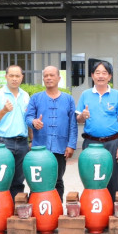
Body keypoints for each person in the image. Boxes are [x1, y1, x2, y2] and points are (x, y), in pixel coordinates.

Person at [76, 61, 118, 202]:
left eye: (104, 73)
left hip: (112, 143)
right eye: (97, 73)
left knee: (111, 178)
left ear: (110, 76)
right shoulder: (85, 95)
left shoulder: (116, 95)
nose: (101, 76)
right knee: (91, 177)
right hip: (90, 143)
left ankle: (112, 210)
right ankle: (92, 208)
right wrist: (82, 116)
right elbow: (79, 119)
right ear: (92, 76)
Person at [25, 66, 78, 202]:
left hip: (60, 148)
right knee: (38, 180)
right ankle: (37, 208)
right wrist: (34, 122)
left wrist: (71, 145)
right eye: (46, 75)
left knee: (57, 180)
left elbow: (73, 124)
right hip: (40, 148)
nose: (48, 78)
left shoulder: (68, 99)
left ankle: (57, 208)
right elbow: (28, 117)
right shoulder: (36, 98)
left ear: (59, 78)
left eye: (52, 75)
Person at [0, 65, 30, 200]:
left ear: (22, 77)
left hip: (22, 143)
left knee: (18, 180)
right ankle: (2, 211)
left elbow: (28, 121)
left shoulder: (25, 95)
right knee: (2, 180)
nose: (14, 79)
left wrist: (31, 141)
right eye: (11, 76)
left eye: (18, 76)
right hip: (3, 143)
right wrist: (4, 110)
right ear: (6, 77)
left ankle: (15, 213)